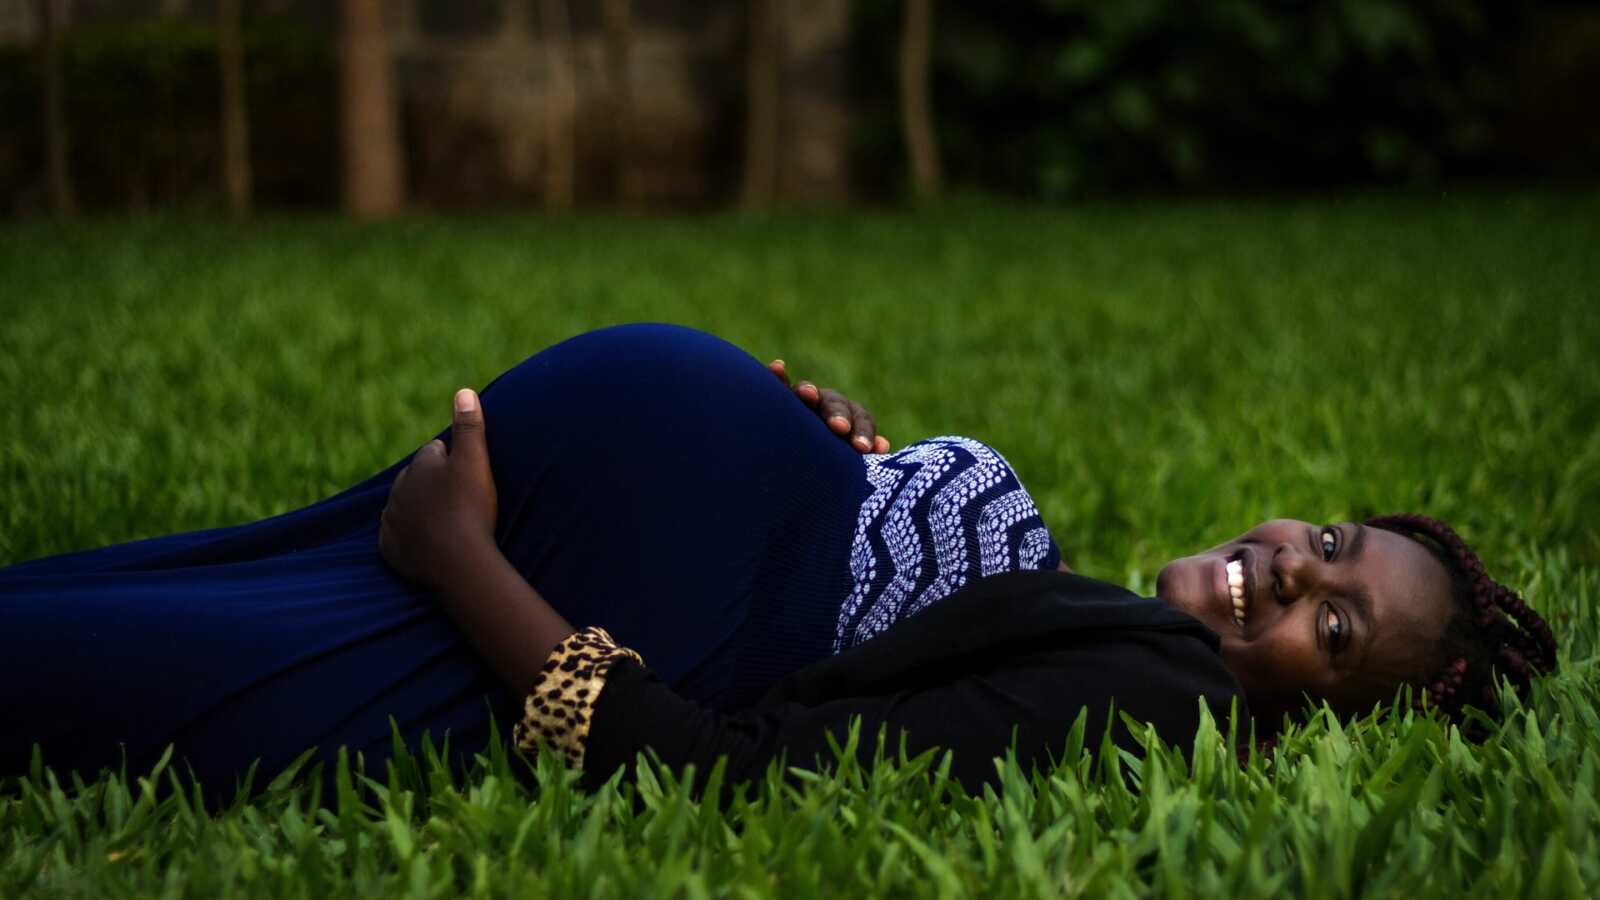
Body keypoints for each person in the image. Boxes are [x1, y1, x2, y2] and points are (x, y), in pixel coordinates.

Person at [0, 324, 1557, 797]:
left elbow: (750, 767)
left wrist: (461, 557)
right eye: (1333, 546)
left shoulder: (1159, 701)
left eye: (1337, 635)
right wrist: (854, 475)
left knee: (105, 670)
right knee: (136, 603)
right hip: (542, 523)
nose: (1293, 574)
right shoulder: (1126, 643)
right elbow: (878, 617)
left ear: (1334, 723)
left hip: (487, 578)